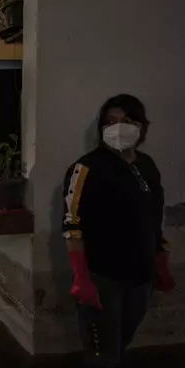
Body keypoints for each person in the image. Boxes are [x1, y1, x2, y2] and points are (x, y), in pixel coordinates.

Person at [62, 94, 175, 367]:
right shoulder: (86, 167)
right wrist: (81, 277)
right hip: (102, 276)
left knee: (122, 341)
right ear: (101, 128)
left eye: (127, 121)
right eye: (110, 121)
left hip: (141, 275)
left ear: (141, 127)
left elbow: (153, 215)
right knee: (103, 353)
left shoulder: (146, 166)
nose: (118, 127)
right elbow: (71, 224)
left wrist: (160, 261)